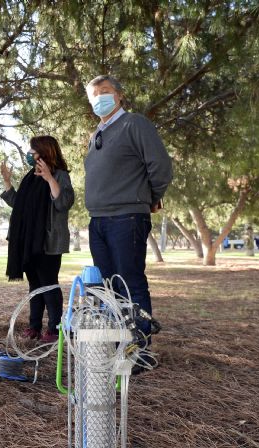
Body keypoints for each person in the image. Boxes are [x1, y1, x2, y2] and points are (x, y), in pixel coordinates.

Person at [84, 75, 173, 374]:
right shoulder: (97, 132)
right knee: (109, 288)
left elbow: (160, 166)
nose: (100, 98)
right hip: (98, 220)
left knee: (131, 282)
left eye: (105, 92)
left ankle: (141, 350)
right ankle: (120, 345)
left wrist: (150, 197)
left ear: (119, 96)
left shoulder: (134, 124)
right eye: (94, 95)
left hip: (127, 217)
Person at [0, 136, 74, 343]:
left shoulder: (60, 176)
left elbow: (63, 203)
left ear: (45, 152)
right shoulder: (29, 177)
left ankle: (54, 329)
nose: (29, 155)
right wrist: (7, 182)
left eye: (33, 151)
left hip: (48, 241)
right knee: (34, 285)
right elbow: (20, 205)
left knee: (49, 284)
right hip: (28, 241)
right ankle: (34, 327)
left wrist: (50, 178)